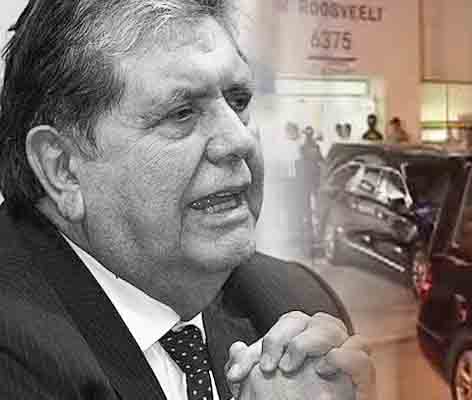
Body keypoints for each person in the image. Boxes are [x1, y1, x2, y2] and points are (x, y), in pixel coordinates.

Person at [0, 1, 374, 400]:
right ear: (63, 169)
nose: (239, 140)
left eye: (238, 101)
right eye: (181, 113)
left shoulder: (297, 303)